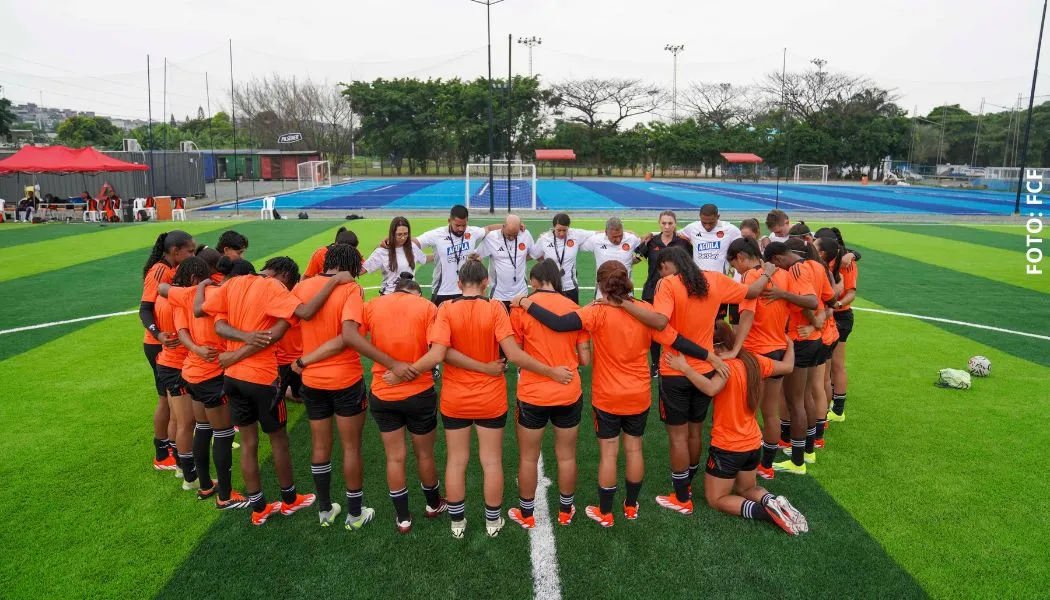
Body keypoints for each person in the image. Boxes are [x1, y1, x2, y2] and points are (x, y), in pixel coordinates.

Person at [513, 260, 720, 527]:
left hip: (607, 395)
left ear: (600, 284)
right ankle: (631, 507)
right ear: (627, 281)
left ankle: (605, 512)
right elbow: (677, 340)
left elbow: (559, 323)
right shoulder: (645, 311)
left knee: (609, 453)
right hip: (638, 394)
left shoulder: (595, 312)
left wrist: (525, 303)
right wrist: (709, 356)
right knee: (634, 449)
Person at [407, 256, 574, 538]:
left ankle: (457, 522)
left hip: (455, 398)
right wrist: (551, 371)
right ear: (487, 283)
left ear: (459, 283)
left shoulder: (445, 308)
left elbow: (439, 353)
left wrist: (405, 372)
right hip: (490, 398)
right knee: (491, 461)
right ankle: (492, 521)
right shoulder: (495, 307)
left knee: (456, 460)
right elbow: (514, 354)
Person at [611, 246, 771, 515]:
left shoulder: (668, 284)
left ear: (666, 265)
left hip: (676, 369)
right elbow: (753, 293)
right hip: (705, 369)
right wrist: (766, 273)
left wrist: (622, 303)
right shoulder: (715, 279)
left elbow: (660, 322)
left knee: (678, 437)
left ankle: (682, 496)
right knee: (695, 430)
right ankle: (690, 481)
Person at [198, 258, 352, 526]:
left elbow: (213, 320)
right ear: (283, 276)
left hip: (232, 378)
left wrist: (236, 352)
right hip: (262, 379)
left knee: (248, 442)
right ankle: (290, 500)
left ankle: (258, 507)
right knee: (278, 440)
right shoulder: (273, 287)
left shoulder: (233, 284)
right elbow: (302, 314)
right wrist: (334, 281)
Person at [297, 274, 447, 533]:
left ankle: (403, 518)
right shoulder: (427, 307)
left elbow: (351, 337)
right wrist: (406, 370)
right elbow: (437, 351)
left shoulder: (373, 306)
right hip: (419, 391)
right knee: (424, 453)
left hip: (383, 392)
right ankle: (433, 505)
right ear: (415, 293)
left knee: (394, 457)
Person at [663, 323, 808, 535]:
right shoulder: (754, 361)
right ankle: (774, 501)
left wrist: (684, 368)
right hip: (752, 443)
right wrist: (791, 346)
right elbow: (787, 367)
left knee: (716, 499)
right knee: (746, 489)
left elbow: (711, 388)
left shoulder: (723, 366)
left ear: (717, 347)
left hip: (729, 446)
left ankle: (766, 512)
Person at [286, 245, 380, 530]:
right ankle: (354, 513)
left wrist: (304, 360)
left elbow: (291, 323)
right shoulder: (351, 289)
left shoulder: (303, 287)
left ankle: (325, 510)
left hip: (312, 380)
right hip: (344, 379)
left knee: (320, 445)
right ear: (350, 266)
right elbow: (347, 337)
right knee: (351, 447)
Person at [506, 259, 592, 529]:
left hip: (533, 393)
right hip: (568, 391)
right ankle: (566, 511)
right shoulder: (574, 309)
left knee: (528, 457)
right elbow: (585, 359)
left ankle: (527, 514)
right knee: (566, 455)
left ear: (534, 280)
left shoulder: (520, 309)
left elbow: (517, 355)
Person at [724, 237, 817, 480]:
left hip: (757, 352)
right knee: (771, 411)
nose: (737, 271)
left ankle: (748, 461)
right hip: (778, 348)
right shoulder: (784, 275)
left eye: (735, 265)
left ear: (741, 257)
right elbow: (801, 305)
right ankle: (766, 465)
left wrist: (736, 349)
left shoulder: (750, 278)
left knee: (749, 410)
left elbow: (747, 316)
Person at [163, 253, 250, 509]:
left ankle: (204, 485)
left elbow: (181, 329)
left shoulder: (182, 298)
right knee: (222, 433)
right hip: (212, 373)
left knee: (202, 428)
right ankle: (225, 496)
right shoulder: (214, 294)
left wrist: (196, 349)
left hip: (191, 372)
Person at [762, 241, 827, 476]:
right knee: (805, 396)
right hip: (813, 339)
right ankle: (807, 450)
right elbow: (828, 299)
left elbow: (811, 301)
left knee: (795, 401)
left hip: (800, 342)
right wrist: (815, 322)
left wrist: (781, 293)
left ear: (778, 260)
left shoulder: (798, 270)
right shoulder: (815, 266)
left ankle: (798, 461)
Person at [140, 231, 197, 471]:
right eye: (190, 252)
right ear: (175, 252)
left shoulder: (169, 269)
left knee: (172, 400)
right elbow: (144, 309)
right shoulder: (161, 271)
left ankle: (173, 449)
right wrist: (158, 333)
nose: (193, 255)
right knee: (166, 399)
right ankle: (163, 454)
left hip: (166, 343)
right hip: (159, 345)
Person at [637, 210, 692, 377]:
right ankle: (655, 363)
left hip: (677, 291)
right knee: (654, 329)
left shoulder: (683, 243)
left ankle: (675, 360)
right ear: (659, 224)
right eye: (664, 223)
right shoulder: (650, 241)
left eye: (670, 223)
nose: (667, 226)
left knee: (675, 327)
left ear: (675, 224)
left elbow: (689, 266)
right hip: (652, 291)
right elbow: (637, 256)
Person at [414, 205, 500, 305]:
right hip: (442, 291)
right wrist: (394, 240)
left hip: (465, 291)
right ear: (449, 221)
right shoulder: (436, 235)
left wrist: (509, 226)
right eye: (457, 225)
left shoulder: (472, 232)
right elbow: (415, 242)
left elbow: (489, 229)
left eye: (464, 225)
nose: (461, 229)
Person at [816, 230, 857, 422]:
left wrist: (837, 304)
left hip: (840, 316)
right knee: (828, 367)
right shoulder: (826, 261)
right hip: (831, 315)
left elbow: (851, 293)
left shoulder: (846, 263)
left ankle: (837, 411)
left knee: (836, 365)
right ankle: (828, 408)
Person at [529, 213, 596, 304]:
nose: (562, 233)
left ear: (568, 227)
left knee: (572, 315)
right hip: (551, 287)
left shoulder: (576, 234)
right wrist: (547, 265)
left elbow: (596, 233)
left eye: (565, 230)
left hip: (570, 286)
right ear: (553, 227)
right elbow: (535, 254)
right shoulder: (544, 239)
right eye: (558, 230)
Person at [477, 214, 534, 309]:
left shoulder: (525, 235)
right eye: (508, 235)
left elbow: (533, 253)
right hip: (498, 295)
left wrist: (518, 260)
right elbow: (477, 256)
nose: (511, 238)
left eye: (515, 235)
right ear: (503, 227)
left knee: (519, 323)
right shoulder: (491, 237)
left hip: (521, 294)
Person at [579, 217, 641, 301]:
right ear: (606, 232)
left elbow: (644, 249)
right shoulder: (595, 240)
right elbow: (576, 243)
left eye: (620, 235)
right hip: (602, 293)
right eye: (614, 237)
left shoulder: (631, 239)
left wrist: (634, 260)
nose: (618, 239)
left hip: (625, 291)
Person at [363, 217, 429, 295]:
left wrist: (442, 254)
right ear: (392, 234)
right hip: (389, 297)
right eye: (399, 234)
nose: (403, 237)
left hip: (410, 297)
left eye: (406, 234)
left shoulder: (412, 247)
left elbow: (424, 258)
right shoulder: (381, 251)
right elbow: (363, 269)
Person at [680, 203, 742, 274]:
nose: (707, 226)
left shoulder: (730, 229)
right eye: (704, 223)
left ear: (718, 217)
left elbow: (745, 243)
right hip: (699, 278)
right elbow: (676, 235)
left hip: (719, 278)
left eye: (711, 223)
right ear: (700, 217)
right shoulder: (692, 228)